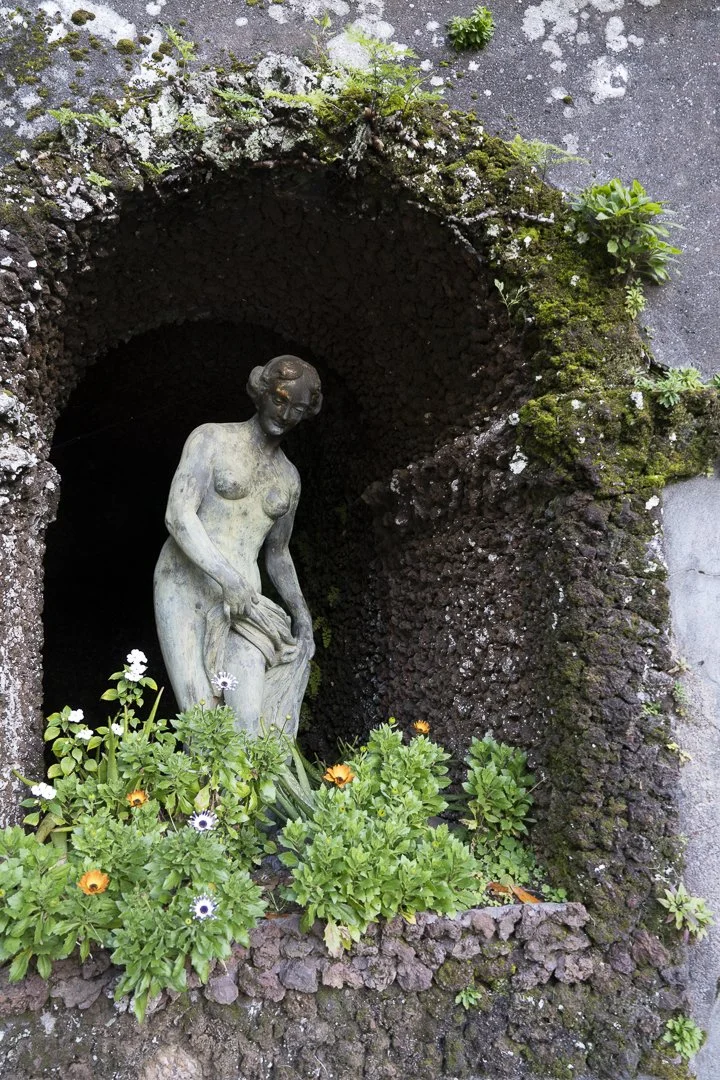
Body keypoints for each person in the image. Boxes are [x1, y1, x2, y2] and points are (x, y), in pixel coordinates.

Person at [154, 354, 322, 736]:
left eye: (297, 409)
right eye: (279, 399)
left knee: (249, 725)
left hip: (246, 604)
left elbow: (278, 553)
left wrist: (301, 614)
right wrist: (226, 578)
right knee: (201, 722)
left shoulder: (289, 478)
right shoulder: (211, 438)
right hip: (186, 583)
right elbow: (178, 515)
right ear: (261, 391)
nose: (285, 414)